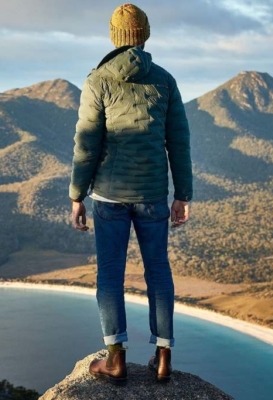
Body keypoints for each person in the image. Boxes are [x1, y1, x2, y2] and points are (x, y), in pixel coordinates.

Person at [69, 3, 193, 385]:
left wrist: (77, 194)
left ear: (114, 36)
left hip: (108, 196)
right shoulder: (165, 80)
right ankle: (163, 356)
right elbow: (179, 141)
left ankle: (115, 359)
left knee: (110, 275)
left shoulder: (98, 80)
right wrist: (182, 194)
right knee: (158, 271)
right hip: (154, 194)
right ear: (146, 34)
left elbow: (87, 143)